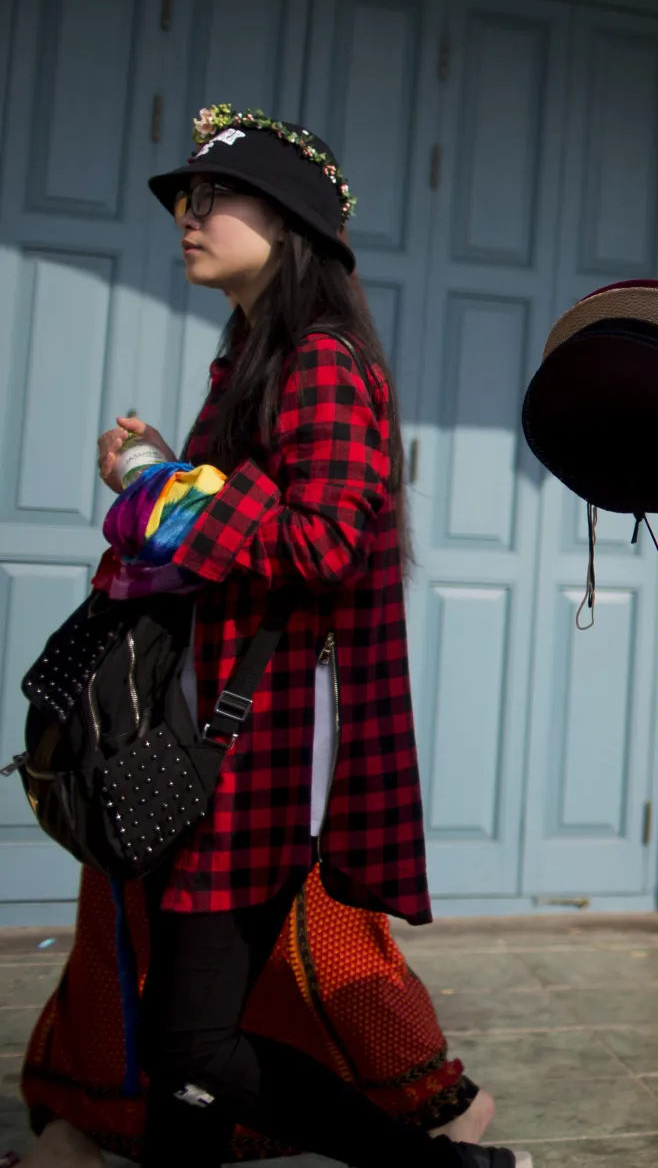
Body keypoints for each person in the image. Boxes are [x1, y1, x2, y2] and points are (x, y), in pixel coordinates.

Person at [81, 106, 526, 1168]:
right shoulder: (252, 355)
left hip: (259, 738)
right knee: (186, 1040)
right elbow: (225, 525)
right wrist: (163, 477)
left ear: (289, 226)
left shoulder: (320, 360)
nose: (189, 217)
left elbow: (324, 541)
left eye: (213, 197)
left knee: (193, 1041)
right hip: (223, 722)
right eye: (186, 201)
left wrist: (157, 482)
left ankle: (443, 1163)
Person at [13, 867, 496, 1167]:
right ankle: (74, 1127)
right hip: (149, 753)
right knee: (134, 942)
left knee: (318, 948)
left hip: (262, 761)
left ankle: (447, 1125)